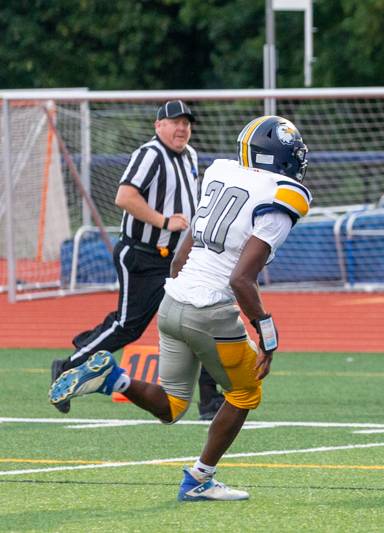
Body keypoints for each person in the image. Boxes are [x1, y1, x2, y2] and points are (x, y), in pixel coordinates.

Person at [49, 114, 312, 501]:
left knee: (172, 406)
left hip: (173, 301)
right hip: (208, 309)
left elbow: (180, 256)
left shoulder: (222, 172)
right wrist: (268, 337)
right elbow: (242, 280)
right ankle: (199, 480)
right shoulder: (281, 197)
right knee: (245, 393)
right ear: (276, 158)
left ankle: (111, 379)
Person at [49, 100, 224, 420]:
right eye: (175, 122)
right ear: (159, 126)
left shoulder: (191, 156)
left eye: (187, 123)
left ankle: (211, 401)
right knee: (128, 325)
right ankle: (69, 365)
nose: (182, 128)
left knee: (203, 316)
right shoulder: (150, 154)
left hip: (175, 258)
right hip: (142, 255)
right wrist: (163, 221)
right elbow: (124, 197)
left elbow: (189, 199)